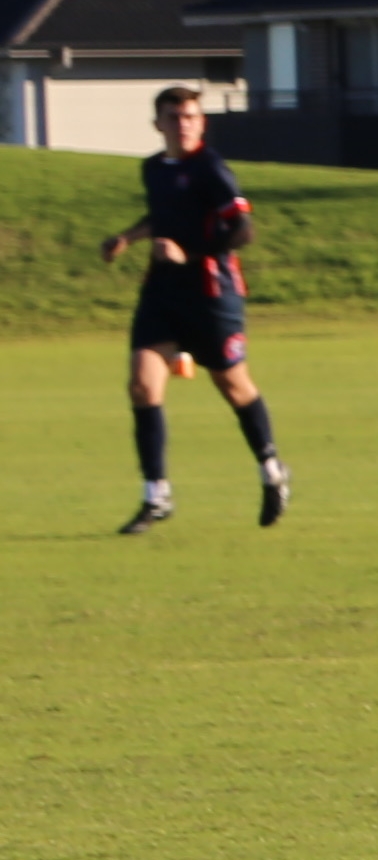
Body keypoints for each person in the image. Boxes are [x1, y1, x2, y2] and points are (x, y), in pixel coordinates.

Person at [99, 85, 286, 533]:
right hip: (162, 291)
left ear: (200, 123)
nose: (183, 124)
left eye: (190, 116)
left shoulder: (211, 169)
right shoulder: (153, 169)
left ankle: (273, 472)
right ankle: (156, 495)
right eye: (174, 116)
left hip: (211, 293)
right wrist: (127, 238)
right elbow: (162, 218)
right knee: (142, 386)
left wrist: (191, 253)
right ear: (157, 124)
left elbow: (242, 230)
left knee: (234, 386)